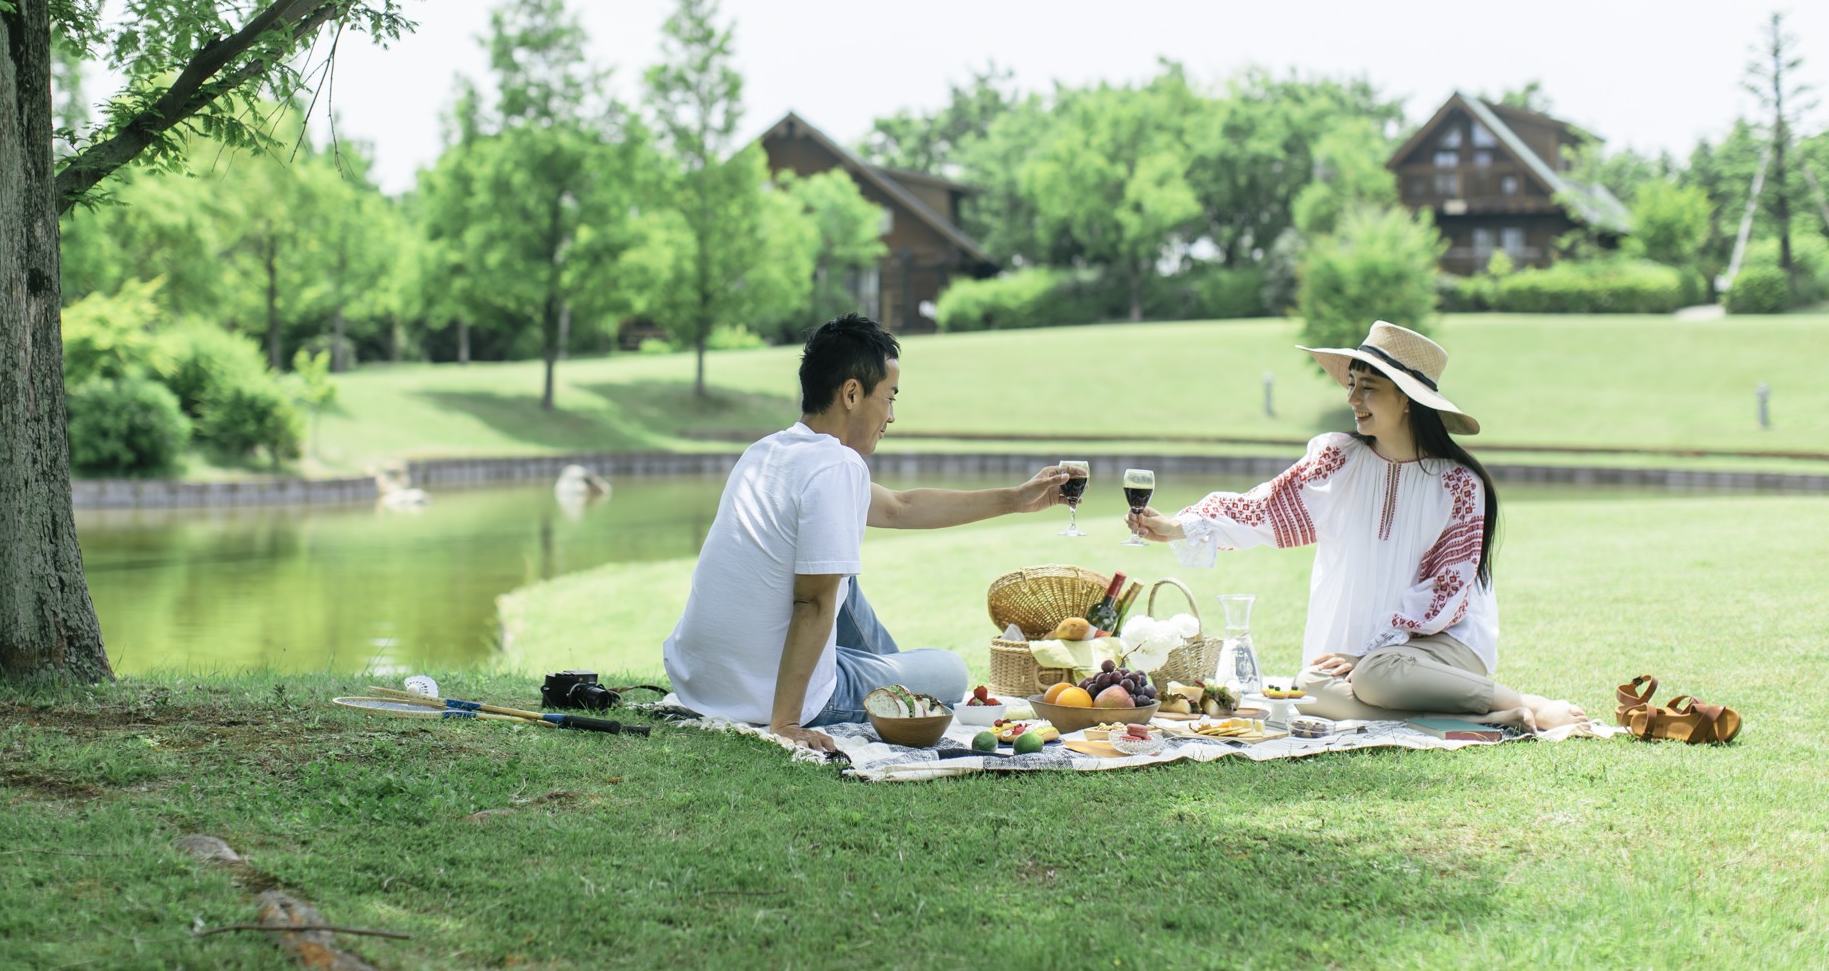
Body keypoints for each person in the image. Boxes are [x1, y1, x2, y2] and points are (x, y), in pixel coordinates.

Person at [1127, 320, 1586, 733]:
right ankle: (1483, 718)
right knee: (1308, 687)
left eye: (1368, 387)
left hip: (1437, 651)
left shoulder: (1460, 486)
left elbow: (1445, 594)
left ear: (1406, 399)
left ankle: (1527, 704)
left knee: (1376, 675)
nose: (1352, 399)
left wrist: (1372, 654)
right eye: (1351, 385)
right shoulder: (1337, 460)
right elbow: (1264, 509)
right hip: (1362, 663)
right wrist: (1180, 527)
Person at [663, 314, 1069, 751]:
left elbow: (899, 507)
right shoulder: (835, 467)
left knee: (841, 576)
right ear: (852, 393)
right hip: (763, 694)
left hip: (704, 680)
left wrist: (1015, 499)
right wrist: (786, 723)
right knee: (949, 672)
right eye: (889, 397)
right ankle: (895, 692)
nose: (891, 416)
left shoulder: (768, 452)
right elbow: (812, 602)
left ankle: (891, 683)